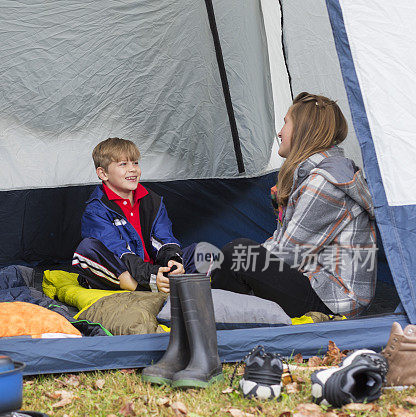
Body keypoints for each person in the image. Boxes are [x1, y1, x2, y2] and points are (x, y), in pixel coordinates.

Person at [210, 92, 376, 318]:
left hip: (335, 299)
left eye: (286, 123)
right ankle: (217, 318)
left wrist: (231, 264)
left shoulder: (324, 182)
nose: (279, 132)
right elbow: (281, 242)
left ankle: (211, 326)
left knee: (235, 253)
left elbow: (288, 253)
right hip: (315, 280)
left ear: (304, 130)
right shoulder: (309, 177)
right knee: (235, 257)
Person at [71, 137, 195, 294]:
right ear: (103, 174)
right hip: (123, 269)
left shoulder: (152, 200)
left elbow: (164, 238)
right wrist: (151, 275)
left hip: (151, 268)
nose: (133, 169)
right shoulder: (96, 209)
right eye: (123, 164)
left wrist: (172, 262)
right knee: (87, 249)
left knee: (200, 252)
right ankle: (139, 286)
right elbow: (116, 251)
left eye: (135, 162)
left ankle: (165, 282)